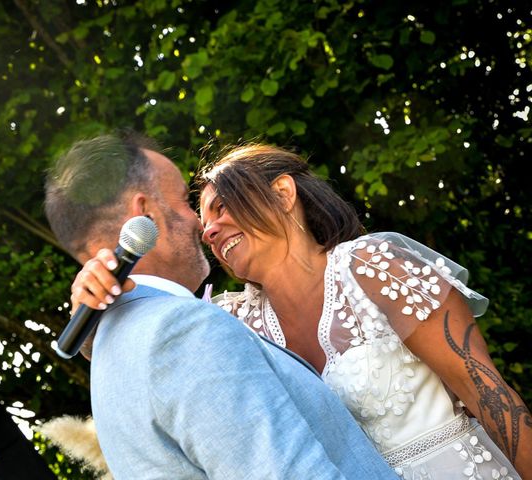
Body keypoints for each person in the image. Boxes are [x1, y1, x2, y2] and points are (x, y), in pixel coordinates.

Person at [72, 143, 532, 479]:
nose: (209, 229)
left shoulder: (372, 266)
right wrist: (93, 305)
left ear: (283, 193)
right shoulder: (233, 321)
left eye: (222, 207)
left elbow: (487, 394)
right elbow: (157, 352)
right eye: (204, 219)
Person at [44, 132, 397, 479]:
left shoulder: (110, 359)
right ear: (144, 216)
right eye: (184, 201)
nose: (201, 225)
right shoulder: (183, 330)